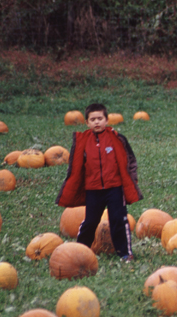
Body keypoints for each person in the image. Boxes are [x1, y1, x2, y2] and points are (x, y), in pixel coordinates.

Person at [55, 103, 142, 262]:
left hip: (114, 187)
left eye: (100, 119)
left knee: (118, 219)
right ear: (87, 123)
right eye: (93, 119)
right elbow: (75, 167)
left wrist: (132, 179)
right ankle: (80, 250)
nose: (97, 122)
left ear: (107, 120)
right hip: (93, 189)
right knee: (90, 221)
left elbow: (130, 160)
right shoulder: (83, 141)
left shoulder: (116, 139)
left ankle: (125, 253)